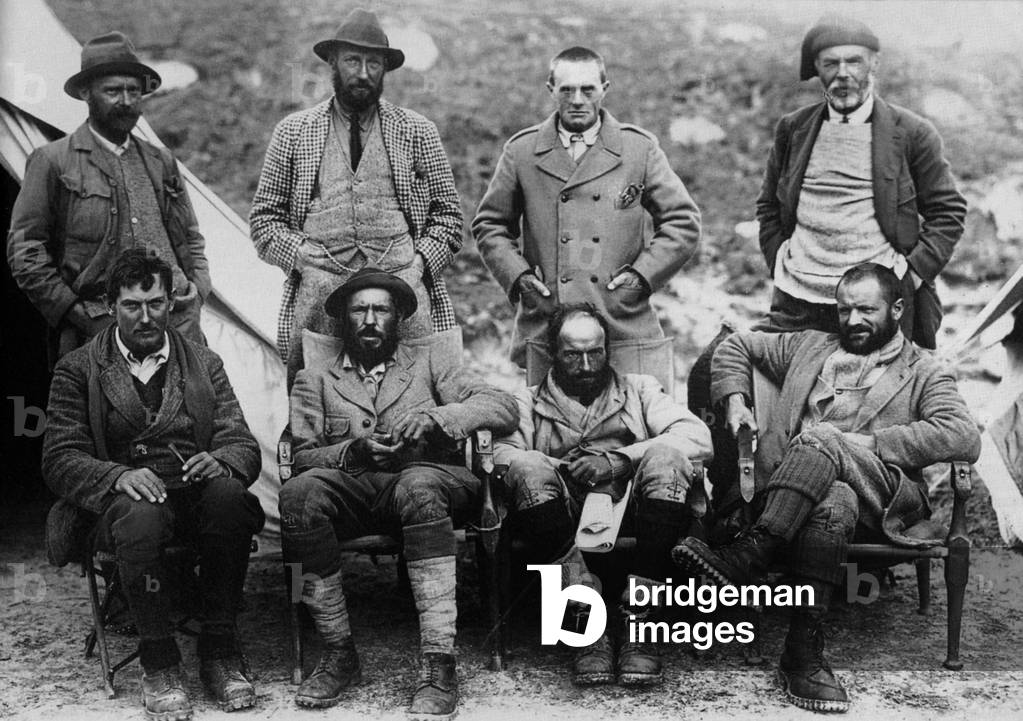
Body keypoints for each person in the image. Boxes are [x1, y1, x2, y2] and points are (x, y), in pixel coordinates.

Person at [673, 263, 981, 713]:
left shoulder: (925, 371)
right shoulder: (809, 346)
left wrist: (874, 442)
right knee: (833, 499)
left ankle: (749, 555)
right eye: (844, 310)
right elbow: (734, 345)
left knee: (821, 437)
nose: (853, 320)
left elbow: (963, 435)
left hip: (882, 497)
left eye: (866, 310)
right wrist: (736, 401)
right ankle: (802, 655)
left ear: (896, 309)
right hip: (809, 499)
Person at [278, 267, 518, 716]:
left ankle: (438, 662)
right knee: (298, 496)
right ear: (343, 320)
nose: (370, 320)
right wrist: (353, 450)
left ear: (398, 318)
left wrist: (439, 419)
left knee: (419, 485)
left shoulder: (431, 362)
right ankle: (338, 653)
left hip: (431, 483)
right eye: (359, 310)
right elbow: (302, 458)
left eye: (380, 310)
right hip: (353, 491)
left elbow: (503, 407)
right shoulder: (314, 378)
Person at [42, 249, 264, 718]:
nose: (146, 317)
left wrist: (220, 459)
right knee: (141, 516)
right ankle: (159, 660)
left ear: (170, 302)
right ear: (110, 305)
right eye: (132, 306)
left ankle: (219, 650)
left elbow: (240, 439)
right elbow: (60, 458)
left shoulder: (205, 363)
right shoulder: (78, 369)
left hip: (190, 497)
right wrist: (118, 475)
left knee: (231, 498)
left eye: (156, 304)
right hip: (120, 509)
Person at [494, 304, 712, 686]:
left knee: (668, 457)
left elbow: (697, 437)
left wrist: (619, 460)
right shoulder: (526, 401)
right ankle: (584, 623)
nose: (586, 365)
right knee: (526, 466)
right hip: (562, 506)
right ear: (553, 354)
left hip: (633, 506)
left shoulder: (641, 389)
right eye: (572, 354)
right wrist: (569, 467)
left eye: (595, 352)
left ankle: (641, 623)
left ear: (608, 350)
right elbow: (502, 454)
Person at [249, 8, 462, 383]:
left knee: (421, 392)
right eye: (352, 60)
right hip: (321, 286)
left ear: (385, 69)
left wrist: (418, 264)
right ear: (332, 62)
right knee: (313, 397)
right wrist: (301, 258)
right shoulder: (293, 132)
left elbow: (449, 217)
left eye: (373, 63)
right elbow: (264, 221)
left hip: (402, 286)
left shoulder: (417, 131)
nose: (363, 73)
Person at [473, 46, 701, 369]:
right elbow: (490, 225)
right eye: (566, 89)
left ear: (604, 90)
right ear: (551, 89)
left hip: (620, 318)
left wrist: (640, 277)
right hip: (550, 321)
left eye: (587, 89)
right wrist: (520, 277)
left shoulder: (638, 149)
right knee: (548, 417)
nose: (577, 100)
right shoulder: (522, 152)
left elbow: (683, 222)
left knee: (639, 415)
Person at [755, 16, 967, 350]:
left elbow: (948, 212)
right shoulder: (793, 129)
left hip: (876, 310)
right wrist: (778, 259)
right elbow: (768, 206)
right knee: (762, 381)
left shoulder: (912, 133)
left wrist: (908, 276)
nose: (843, 74)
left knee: (881, 397)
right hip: (798, 300)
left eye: (854, 61)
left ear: (873, 64)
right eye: (830, 63)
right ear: (817, 68)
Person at [8, 32, 210, 361]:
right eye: (113, 90)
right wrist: (73, 311)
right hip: (98, 332)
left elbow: (190, 236)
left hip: (178, 327)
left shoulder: (161, 160)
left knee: (192, 410)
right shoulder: (53, 161)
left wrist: (197, 292)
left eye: (134, 91)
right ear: (86, 93)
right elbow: (25, 250)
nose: (126, 101)